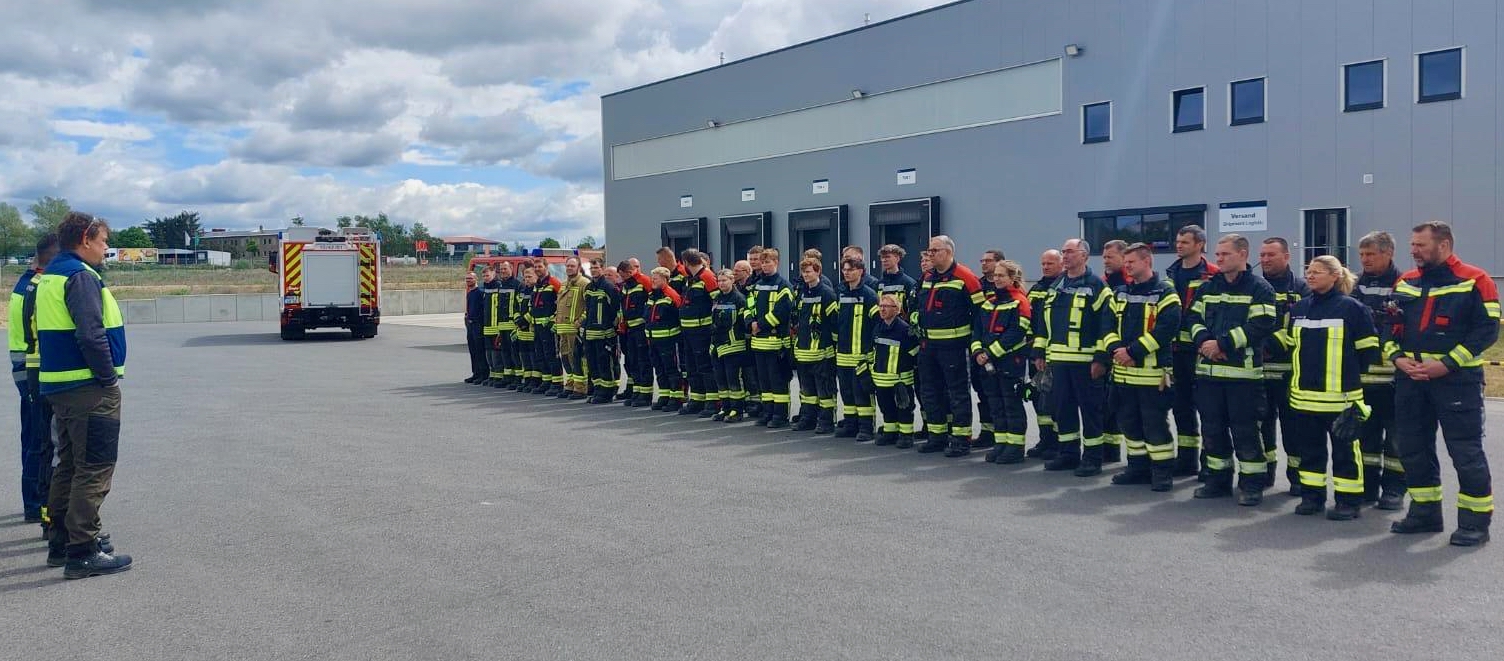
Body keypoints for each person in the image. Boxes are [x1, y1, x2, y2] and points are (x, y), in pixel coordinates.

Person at [1387, 221, 1498, 546]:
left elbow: (1486, 331)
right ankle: (1425, 513)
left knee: (1465, 452)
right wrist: (1397, 358)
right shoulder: (1406, 281)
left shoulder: (1476, 280)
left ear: (1444, 245)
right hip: (1410, 380)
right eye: (1412, 244)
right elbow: (1387, 325)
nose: (1413, 250)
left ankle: (1475, 523)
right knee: (1412, 449)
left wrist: (1447, 364)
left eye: (1420, 245)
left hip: (1457, 382)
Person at [37, 212, 131, 578]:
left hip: (62, 386)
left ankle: (61, 541)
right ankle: (83, 549)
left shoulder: (52, 274)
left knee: (71, 465)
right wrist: (107, 378)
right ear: (86, 238)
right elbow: (91, 334)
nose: (106, 248)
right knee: (94, 468)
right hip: (88, 388)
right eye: (103, 241)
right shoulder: (80, 276)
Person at [1184, 234, 1277, 505]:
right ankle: (1218, 480)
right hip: (1209, 374)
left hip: (1243, 377)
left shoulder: (1260, 288)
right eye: (1218, 254)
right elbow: (1192, 317)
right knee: (1212, 430)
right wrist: (1205, 341)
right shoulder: (1208, 286)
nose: (1219, 259)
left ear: (1243, 255)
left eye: (1225, 254)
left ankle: (1252, 484)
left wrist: (1222, 344)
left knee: (1245, 432)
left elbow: (1261, 325)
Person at [1286, 255, 1379, 520]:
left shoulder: (1353, 309)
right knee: (1309, 453)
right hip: (1304, 399)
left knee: (1346, 454)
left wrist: (1347, 378)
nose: (1310, 275)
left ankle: (1348, 502)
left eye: (1317, 271)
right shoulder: (1299, 308)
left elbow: (1368, 352)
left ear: (1335, 276)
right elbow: (1292, 347)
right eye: (1309, 271)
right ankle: (1311, 498)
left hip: (1342, 399)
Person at [1104, 243, 1181, 491]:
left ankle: (1162, 472)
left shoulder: (1165, 292)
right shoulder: (1119, 293)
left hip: (1152, 375)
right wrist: (1116, 349)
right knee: (1129, 424)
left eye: (1131, 262)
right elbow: (1106, 326)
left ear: (1147, 261)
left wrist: (1132, 352)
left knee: (1154, 425)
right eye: (1125, 262)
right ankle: (1137, 468)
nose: (1126, 266)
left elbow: (1166, 329)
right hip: (1123, 374)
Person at [1033, 238, 1114, 475]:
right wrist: (1039, 351)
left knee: (1091, 412)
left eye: (1070, 251)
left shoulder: (1096, 286)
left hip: (1086, 363)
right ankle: (1068, 454)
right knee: (1063, 410)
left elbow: (1106, 324)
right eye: (1063, 252)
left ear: (1084, 256)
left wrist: (1101, 358)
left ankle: (1092, 458)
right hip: (1058, 361)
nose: (1065, 256)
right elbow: (1043, 322)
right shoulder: (1056, 285)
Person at [915, 235, 985, 457]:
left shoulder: (966, 277)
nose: (930, 254)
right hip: (928, 346)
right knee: (930, 391)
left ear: (948, 252)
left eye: (934, 250)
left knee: (957, 393)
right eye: (929, 251)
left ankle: (961, 439)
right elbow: (918, 305)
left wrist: (974, 342)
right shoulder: (927, 277)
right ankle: (937, 436)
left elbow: (980, 314)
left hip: (954, 346)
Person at [1354, 232, 1406, 510]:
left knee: (1397, 441)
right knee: (1366, 439)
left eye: (1370, 254)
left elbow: (1398, 326)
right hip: (1364, 379)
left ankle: (1394, 490)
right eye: (1362, 254)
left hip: (1395, 380)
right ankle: (1367, 488)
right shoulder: (1357, 285)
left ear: (1388, 253)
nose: (1365, 259)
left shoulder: (1404, 284)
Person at [11, 234, 58, 525]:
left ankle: (32, 501)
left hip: (24, 370)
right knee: (39, 442)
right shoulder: (35, 287)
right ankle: (35, 503)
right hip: (33, 371)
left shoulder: (24, 283)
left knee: (31, 438)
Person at [1165, 225, 1219, 477]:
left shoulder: (1212, 275)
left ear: (1199, 245)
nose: (1179, 245)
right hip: (1176, 351)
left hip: (1201, 351)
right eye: (1178, 241)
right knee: (1181, 407)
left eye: (1185, 242)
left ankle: (1209, 463)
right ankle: (1186, 460)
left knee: (1208, 409)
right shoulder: (1171, 274)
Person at [1259, 237, 1311, 492]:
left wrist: (1269, 345)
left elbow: (1302, 325)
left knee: (1295, 429)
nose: (1265, 259)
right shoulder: (1254, 285)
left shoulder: (1301, 289)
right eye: (1262, 255)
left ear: (1287, 257)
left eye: (1271, 254)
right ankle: (1265, 472)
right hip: (1258, 371)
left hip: (1290, 373)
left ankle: (1297, 477)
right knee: (1261, 426)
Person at [971, 260, 1031, 464]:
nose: (996, 279)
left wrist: (989, 353)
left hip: (1010, 363)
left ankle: (1015, 448)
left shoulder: (1020, 302)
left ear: (1013, 278)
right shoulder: (989, 302)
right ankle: (1001, 443)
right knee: (996, 405)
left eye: (1001, 275)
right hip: (988, 363)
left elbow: (1016, 333)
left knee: (1011, 405)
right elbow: (977, 330)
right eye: (995, 275)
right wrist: (978, 351)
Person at [792, 258, 838, 434]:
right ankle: (808, 418)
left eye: (809, 271)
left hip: (822, 352)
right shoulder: (802, 293)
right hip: (803, 351)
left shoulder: (827, 294)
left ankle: (826, 421)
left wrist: (832, 346)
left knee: (824, 390)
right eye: (803, 272)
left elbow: (834, 323)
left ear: (818, 272)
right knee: (807, 391)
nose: (805, 275)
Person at [835, 257, 879, 441]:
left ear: (860, 271)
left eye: (851, 270)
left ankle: (866, 428)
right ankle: (850, 425)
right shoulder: (841, 293)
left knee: (862, 394)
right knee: (847, 393)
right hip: (843, 355)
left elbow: (876, 324)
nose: (846, 273)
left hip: (861, 355)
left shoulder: (869, 295)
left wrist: (871, 350)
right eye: (845, 270)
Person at [1026, 249, 1064, 460]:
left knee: (1056, 400)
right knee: (1039, 398)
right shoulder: (1036, 289)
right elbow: (1028, 318)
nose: (1046, 267)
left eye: (1050, 263)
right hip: (1036, 352)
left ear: (1061, 264)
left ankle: (1058, 443)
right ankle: (1045, 439)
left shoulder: (1063, 287)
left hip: (1057, 354)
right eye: (1043, 263)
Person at [971, 248, 1007, 449]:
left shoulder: (1006, 288)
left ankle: (1002, 434)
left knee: (1002, 395)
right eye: (982, 260)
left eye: (988, 260)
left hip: (1000, 349)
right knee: (982, 391)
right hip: (980, 346)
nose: (984, 264)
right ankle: (987, 431)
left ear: (1000, 262)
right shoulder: (978, 285)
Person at [1099, 239, 1130, 464]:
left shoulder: (1131, 284)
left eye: (1110, 257)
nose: (1105, 261)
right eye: (1104, 257)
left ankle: (1118, 450)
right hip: (1106, 351)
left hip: (1127, 353)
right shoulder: (1102, 283)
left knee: (1124, 407)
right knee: (1104, 404)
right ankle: (1108, 450)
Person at [678, 250, 719, 417]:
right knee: (691, 367)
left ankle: (712, 402)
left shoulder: (707, 277)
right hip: (688, 331)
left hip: (702, 331)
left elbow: (717, 302)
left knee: (705, 366)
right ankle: (697, 400)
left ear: (686, 263)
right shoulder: (691, 279)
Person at [710, 269, 752, 422]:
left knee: (733, 379)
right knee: (721, 379)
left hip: (733, 345)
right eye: (719, 281)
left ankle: (737, 410)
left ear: (732, 280)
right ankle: (725, 407)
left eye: (724, 280)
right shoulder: (717, 298)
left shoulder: (739, 299)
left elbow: (741, 324)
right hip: (717, 345)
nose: (721, 284)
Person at [583, 258, 623, 404]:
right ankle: (598, 389)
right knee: (593, 365)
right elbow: (588, 310)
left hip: (604, 334)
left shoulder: (608, 287)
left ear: (602, 269)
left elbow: (615, 311)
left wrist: (610, 328)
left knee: (605, 364)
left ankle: (607, 392)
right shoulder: (589, 288)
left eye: (596, 268)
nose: (593, 270)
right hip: (590, 333)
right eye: (591, 268)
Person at [645, 267, 684, 412]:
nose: (653, 281)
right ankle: (664, 396)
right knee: (660, 369)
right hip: (653, 340)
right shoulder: (651, 296)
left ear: (665, 279)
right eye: (652, 278)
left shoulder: (671, 295)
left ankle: (676, 398)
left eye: (656, 278)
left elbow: (679, 316)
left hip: (669, 341)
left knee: (672, 369)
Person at [555, 257, 591, 399]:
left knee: (577, 360)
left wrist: (580, 321)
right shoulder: (564, 284)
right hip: (562, 329)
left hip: (574, 330)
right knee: (566, 358)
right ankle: (570, 385)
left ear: (579, 267)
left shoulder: (584, 283)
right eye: (568, 266)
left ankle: (580, 388)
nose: (569, 268)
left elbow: (589, 307)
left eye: (572, 266)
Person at [531, 265, 565, 396]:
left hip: (549, 327)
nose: (537, 269)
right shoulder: (537, 285)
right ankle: (547, 381)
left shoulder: (554, 283)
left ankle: (557, 383)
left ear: (546, 267)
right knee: (541, 355)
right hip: (537, 326)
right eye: (536, 266)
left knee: (551, 355)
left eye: (540, 266)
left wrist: (554, 320)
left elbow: (561, 302)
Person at [494, 261, 524, 389]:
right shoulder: (500, 285)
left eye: (505, 269)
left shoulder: (517, 285)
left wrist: (517, 325)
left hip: (512, 325)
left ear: (511, 269)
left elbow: (518, 305)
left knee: (514, 353)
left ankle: (518, 378)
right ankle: (508, 377)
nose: (503, 271)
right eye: (501, 269)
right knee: (505, 352)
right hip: (502, 325)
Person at [514, 266, 540, 393]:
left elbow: (535, 309)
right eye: (525, 277)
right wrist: (517, 319)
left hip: (531, 330)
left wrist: (524, 320)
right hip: (521, 331)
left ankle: (535, 380)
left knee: (533, 356)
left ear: (536, 277)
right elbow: (516, 307)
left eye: (530, 277)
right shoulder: (522, 290)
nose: (527, 279)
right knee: (524, 357)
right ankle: (528, 379)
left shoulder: (536, 290)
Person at [479, 267, 505, 386]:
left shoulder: (498, 286)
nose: (485, 278)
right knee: (488, 352)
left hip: (496, 327)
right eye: (484, 276)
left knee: (496, 353)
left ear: (494, 274)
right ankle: (493, 375)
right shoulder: (485, 288)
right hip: (487, 327)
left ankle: (498, 376)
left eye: (487, 275)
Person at [463, 271, 487, 384]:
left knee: (479, 351)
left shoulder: (480, 292)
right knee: (473, 351)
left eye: (470, 279)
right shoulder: (469, 293)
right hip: (470, 325)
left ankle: (483, 374)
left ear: (476, 279)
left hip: (478, 325)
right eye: (467, 279)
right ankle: (475, 373)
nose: (468, 281)